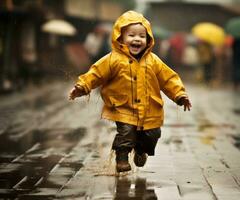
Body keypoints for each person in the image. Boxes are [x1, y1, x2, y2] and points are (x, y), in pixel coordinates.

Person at [69, 11, 192, 173]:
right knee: (126, 132)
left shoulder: (153, 61)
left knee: (152, 135)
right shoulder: (113, 59)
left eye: (142, 36)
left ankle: (141, 150)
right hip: (123, 106)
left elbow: (168, 79)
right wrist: (82, 87)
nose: (137, 39)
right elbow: (96, 73)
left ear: (148, 39)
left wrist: (179, 95)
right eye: (131, 35)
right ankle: (121, 158)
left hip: (150, 108)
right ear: (120, 38)